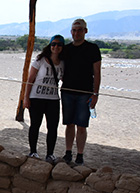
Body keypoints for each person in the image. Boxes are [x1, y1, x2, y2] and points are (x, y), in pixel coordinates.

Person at [60, 18, 102, 166]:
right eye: (74, 30)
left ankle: (80, 154)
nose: (76, 33)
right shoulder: (66, 49)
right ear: (71, 32)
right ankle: (68, 151)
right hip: (67, 91)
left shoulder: (92, 49)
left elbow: (97, 72)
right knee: (69, 124)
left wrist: (95, 94)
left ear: (85, 31)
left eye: (79, 30)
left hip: (85, 92)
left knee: (82, 125)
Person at [23, 35, 65, 163]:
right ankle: (33, 151)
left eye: (59, 45)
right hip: (37, 97)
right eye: (53, 44)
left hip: (53, 98)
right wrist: (26, 98)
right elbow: (30, 80)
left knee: (52, 127)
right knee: (35, 125)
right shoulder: (40, 60)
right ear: (50, 45)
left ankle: (50, 154)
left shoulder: (63, 63)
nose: (56, 47)